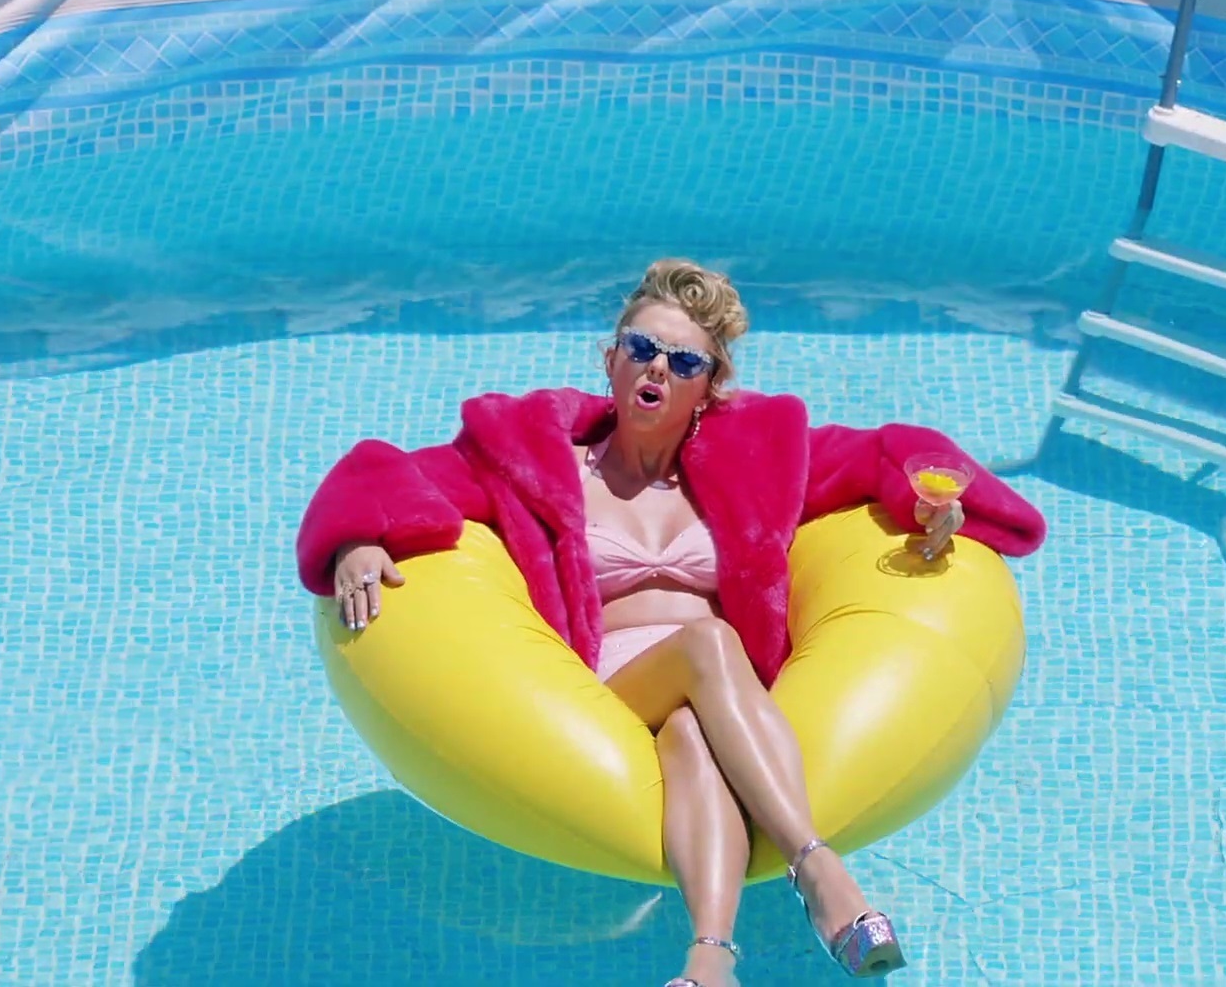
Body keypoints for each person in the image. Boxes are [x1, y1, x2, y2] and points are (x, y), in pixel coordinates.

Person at [296, 259, 1046, 987]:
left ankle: (709, 959)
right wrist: (359, 536)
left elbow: (884, 453)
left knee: (689, 730)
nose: (657, 367)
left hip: (722, 701)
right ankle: (818, 868)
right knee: (707, 642)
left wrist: (930, 505)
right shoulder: (537, 463)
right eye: (641, 347)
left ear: (708, 388)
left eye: (683, 361)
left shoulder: (754, 464)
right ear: (612, 359)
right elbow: (393, 471)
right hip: (608, 697)